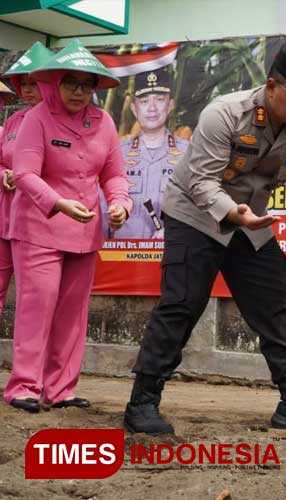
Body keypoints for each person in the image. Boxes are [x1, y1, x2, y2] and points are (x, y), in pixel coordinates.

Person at [123, 41, 286, 435]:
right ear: (272, 86)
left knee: (278, 300)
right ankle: (143, 402)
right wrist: (235, 213)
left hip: (251, 221)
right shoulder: (226, 114)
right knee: (181, 304)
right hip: (196, 215)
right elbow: (200, 182)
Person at [2, 40, 132, 413]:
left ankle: (61, 388)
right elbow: (24, 173)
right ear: (54, 82)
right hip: (37, 227)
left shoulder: (103, 122)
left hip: (85, 231)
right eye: (71, 82)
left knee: (73, 313)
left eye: (86, 84)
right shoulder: (36, 119)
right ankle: (24, 386)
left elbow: (115, 176)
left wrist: (120, 203)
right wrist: (57, 203)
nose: (79, 91)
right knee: (36, 307)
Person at [0, 42, 52, 330]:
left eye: (35, 83)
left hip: (37, 222)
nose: (28, 90)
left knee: (34, 296)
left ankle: (34, 363)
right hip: (5, 217)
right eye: (24, 83)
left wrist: (23, 175)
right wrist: (5, 175)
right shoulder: (14, 121)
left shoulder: (58, 122)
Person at [107, 67, 188, 238]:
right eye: (144, 101)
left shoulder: (188, 153)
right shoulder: (117, 152)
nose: (152, 108)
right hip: (122, 255)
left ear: (170, 105)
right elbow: (102, 207)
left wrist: (176, 231)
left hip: (172, 252)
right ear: (134, 108)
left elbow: (198, 204)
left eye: (159, 99)